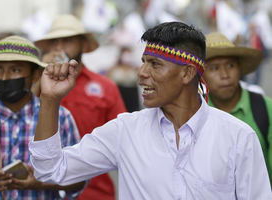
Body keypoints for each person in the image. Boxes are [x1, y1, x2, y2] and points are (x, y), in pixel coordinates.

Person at [29, 22, 272, 199]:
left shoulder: (238, 137)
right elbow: (51, 170)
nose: (141, 73)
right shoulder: (125, 130)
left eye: (155, 64)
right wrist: (49, 100)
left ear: (187, 73)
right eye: (143, 62)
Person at [0, 35, 85, 199]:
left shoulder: (61, 117)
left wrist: (39, 183)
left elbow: (79, 179)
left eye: (15, 70)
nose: (4, 78)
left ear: (35, 76)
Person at [34, 14, 126, 200]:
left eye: (67, 40)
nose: (59, 47)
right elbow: (23, 114)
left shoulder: (106, 87)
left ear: (83, 45)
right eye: (54, 42)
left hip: (94, 193)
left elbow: (123, 141)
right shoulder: (37, 83)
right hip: (42, 191)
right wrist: (39, 76)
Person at [203, 32, 272, 182]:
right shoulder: (197, 115)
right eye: (214, 68)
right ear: (202, 76)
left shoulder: (266, 109)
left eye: (230, 65)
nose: (225, 74)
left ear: (239, 69)